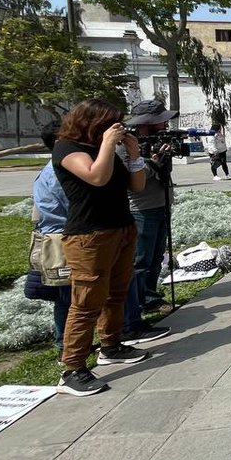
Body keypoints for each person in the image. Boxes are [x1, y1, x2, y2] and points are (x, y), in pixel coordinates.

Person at [52, 100, 151, 396]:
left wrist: (134, 155)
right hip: (89, 235)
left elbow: (137, 186)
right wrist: (108, 144)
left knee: (117, 293)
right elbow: (96, 177)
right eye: (111, 123)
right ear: (92, 122)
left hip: (121, 228)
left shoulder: (103, 149)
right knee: (86, 302)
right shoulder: (67, 148)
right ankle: (72, 368)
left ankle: (110, 345)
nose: (116, 128)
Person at [120, 100, 176, 346]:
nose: (165, 123)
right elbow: (135, 176)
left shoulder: (159, 141)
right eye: (160, 120)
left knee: (155, 256)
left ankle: (150, 294)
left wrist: (163, 158)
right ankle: (137, 303)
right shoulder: (126, 145)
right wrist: (154, 161)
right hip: (141, 208)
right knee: (141, 260)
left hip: (161, 204)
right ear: (146, 124)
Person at [27, 120, 72, 359]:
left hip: (61, 237)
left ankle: (68, 345)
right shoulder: (57, 172)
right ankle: (66, 348)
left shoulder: (57, 167)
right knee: (67, 298)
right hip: (61, 242)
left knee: (69, 298)